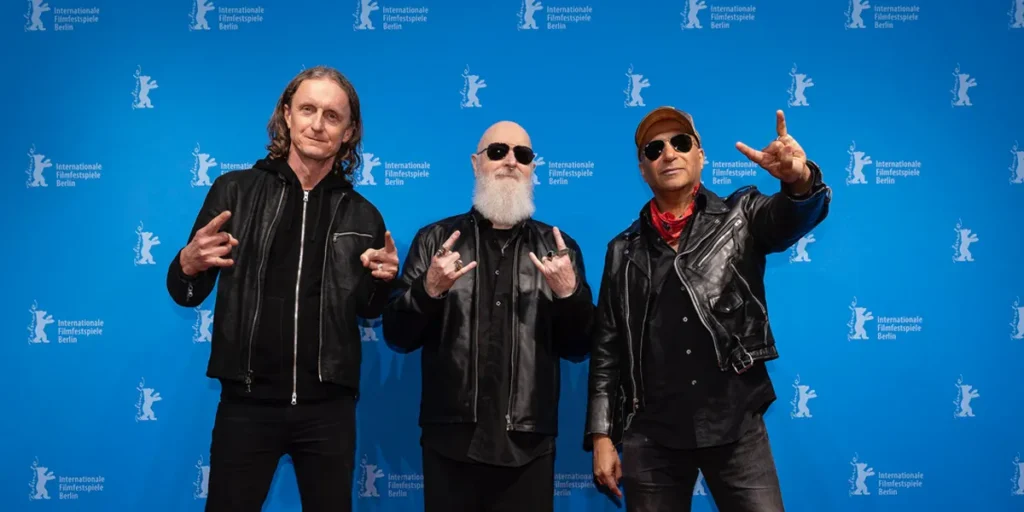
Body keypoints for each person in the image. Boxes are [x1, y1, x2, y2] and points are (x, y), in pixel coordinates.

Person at [165, 65, 399, 512]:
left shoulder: (363, 215)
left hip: (328, 410)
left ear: (349, 132)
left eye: (332, 116)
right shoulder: (234, 192)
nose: (317, 124)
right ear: (287, 115)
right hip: (247, 404)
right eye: (308, 109)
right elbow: (186, 293)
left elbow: (369, 311)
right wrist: (186, 265)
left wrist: (383, 282)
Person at [585, 106, 831, 511]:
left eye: (681, 143)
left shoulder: (742, 215)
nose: (669, 153)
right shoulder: (622, 251)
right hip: (651, 435)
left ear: (701, 156)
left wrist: (798, 180)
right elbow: (607, 349)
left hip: (735, 424)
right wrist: (601, 436)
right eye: (654, 149)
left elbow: (792, 217)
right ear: (643, 169)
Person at [382, 121, 595, 511]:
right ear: (475, 163)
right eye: (498, 152)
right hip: (450, 444)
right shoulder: (434, 241)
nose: (511, 161)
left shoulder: (559, 249)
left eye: (523, 155)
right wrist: (429, 290)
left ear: (532, 168)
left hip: (528, 446)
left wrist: (568, 294)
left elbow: (580, 346)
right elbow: (397, 334)